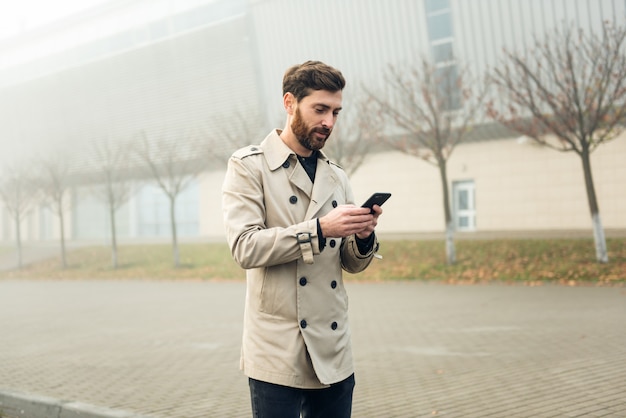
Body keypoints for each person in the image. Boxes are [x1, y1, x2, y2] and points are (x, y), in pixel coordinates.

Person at [222, 60, 383, 418]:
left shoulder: (337, 176)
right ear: (289, 102)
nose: (329, 122)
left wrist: (363, 237)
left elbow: (351, 264)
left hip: (334, 349)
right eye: (320, 109)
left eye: (336, 112)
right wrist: (321, 228)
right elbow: (245, 247)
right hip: (277, 350)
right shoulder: (249, 166)